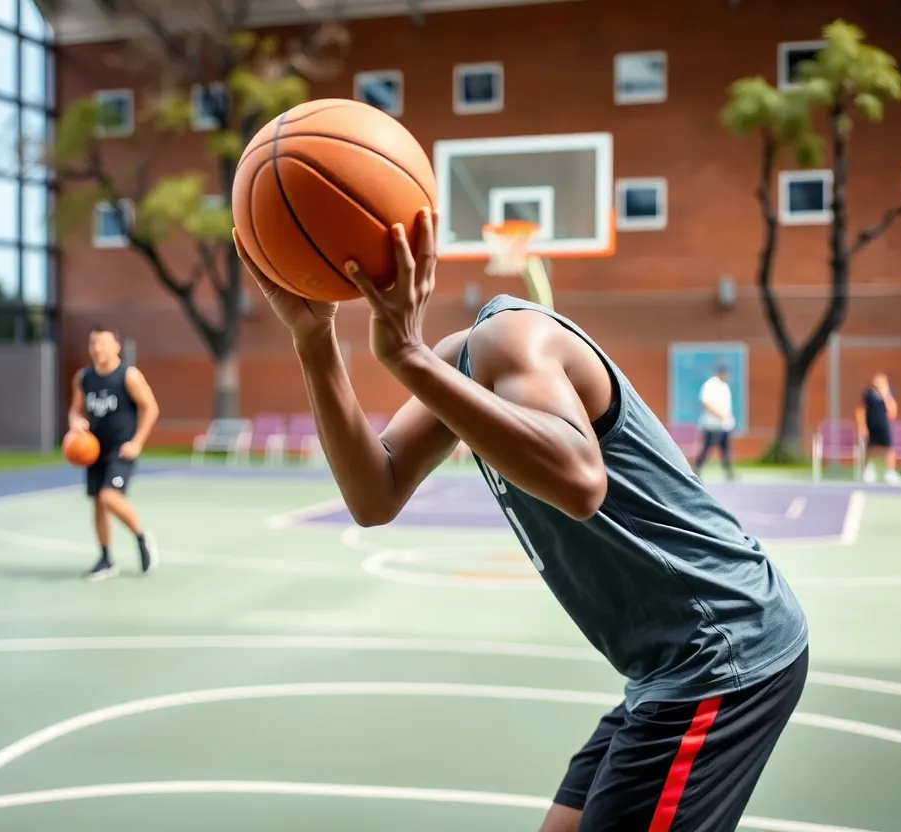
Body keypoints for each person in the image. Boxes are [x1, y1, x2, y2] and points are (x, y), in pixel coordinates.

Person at [233, 209, 808, 832]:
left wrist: (405, 354)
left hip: (721, 650)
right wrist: (314, 340)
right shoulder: (460, 361)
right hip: (666, 666)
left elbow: (582, 483)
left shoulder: (510, 337)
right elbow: (375, 495)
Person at [68, 325, 160, 581]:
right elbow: (75, 411)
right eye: (93, 344)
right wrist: (75, 422)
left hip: (121, 449)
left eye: (103, 343)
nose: (97, 349)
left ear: (116, 346)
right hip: (93, 450)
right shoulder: (83, 378)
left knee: (109, 496)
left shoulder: (128, 376)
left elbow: (150, 408)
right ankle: (106, 559)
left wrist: (138, 442)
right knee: (98, 502)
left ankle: (142, 537)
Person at [855, 372, 901, 484]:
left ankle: (890, 472)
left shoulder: (889, 394)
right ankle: (867, 471)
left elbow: (893, 412)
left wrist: (885, 395)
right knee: (869, 448)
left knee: (889, 449)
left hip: (884, 425)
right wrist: (862, 426)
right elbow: (860, 410)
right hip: (871, 425)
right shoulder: (868, 394)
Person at [695, 365, 736, 480]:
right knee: (706, 449)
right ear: (720, 373)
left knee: (725, 449)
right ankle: (696, 470)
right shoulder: (710, 385)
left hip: (724, 426)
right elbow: (705, 402)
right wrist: (718, 414)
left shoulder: (725, 387)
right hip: (712, 425)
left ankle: (729, 472)